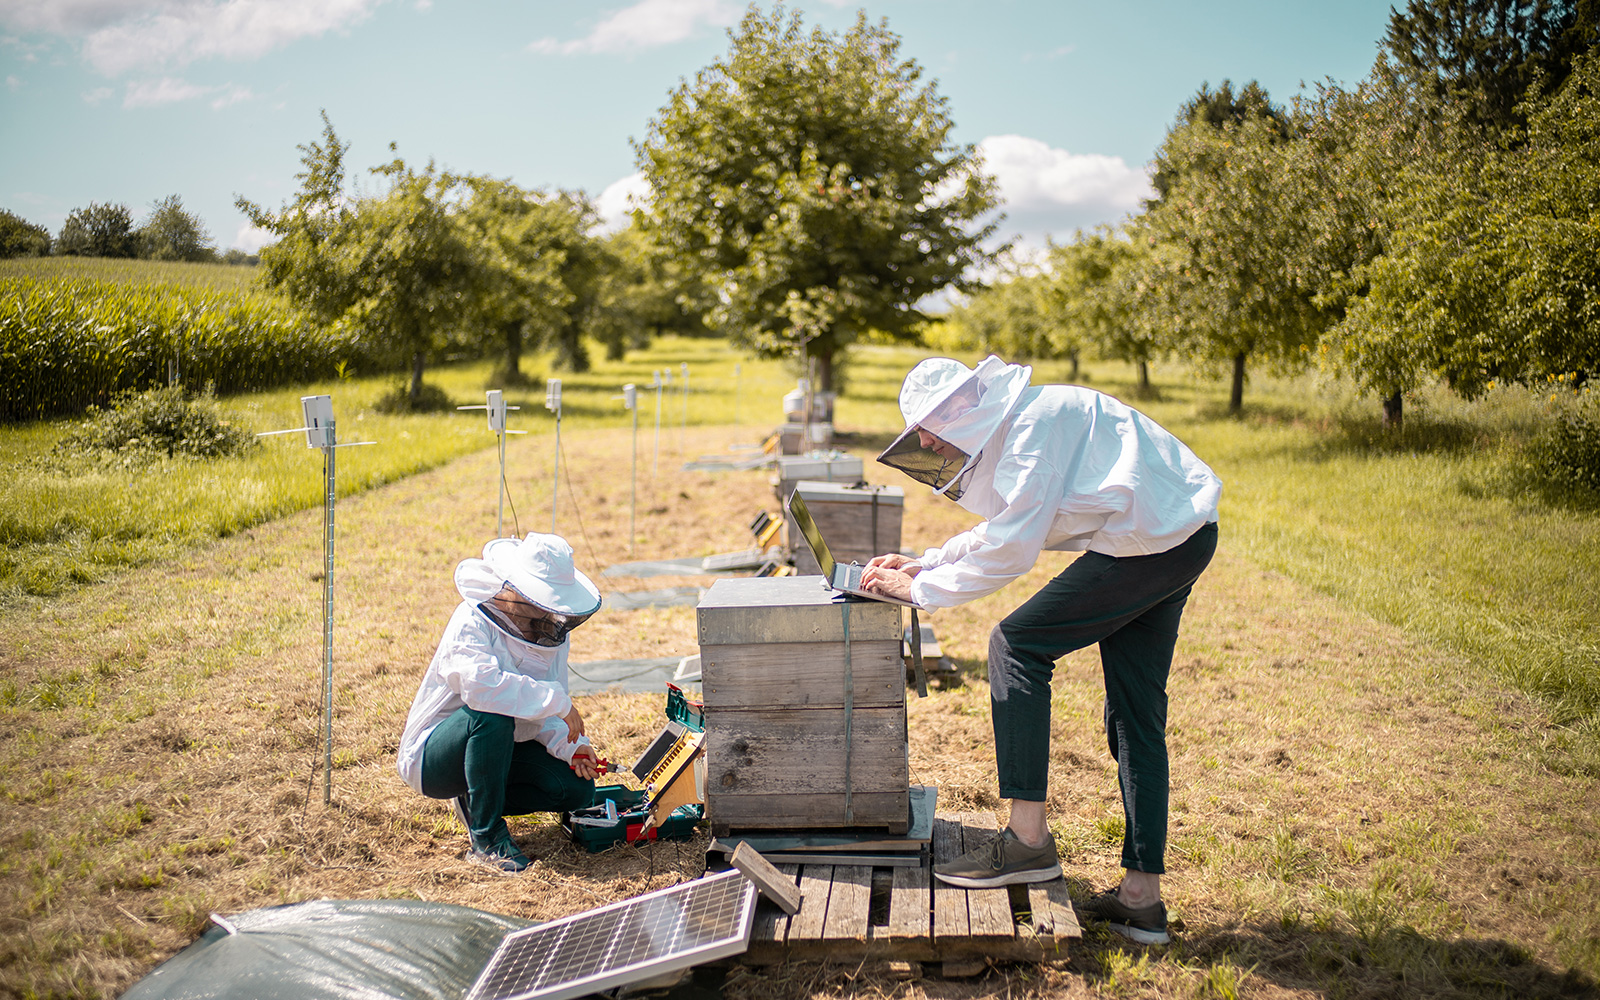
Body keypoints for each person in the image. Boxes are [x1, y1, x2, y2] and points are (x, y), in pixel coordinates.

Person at [861, 356, 1221, 945]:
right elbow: (1004, 523)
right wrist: (928, 559)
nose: (925, 441)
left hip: (1151, 543)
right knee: (1134, 711)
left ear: (963, 405)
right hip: (1170, 536)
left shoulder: (1034, 426)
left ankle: (1027, 843)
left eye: (929, 425)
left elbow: (1012, 548)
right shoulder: (1024, 424)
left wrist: (920, 590)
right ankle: (1141, 900)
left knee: (1015, 644)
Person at [396, 533, 602, 874]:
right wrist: (558, 702)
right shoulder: (471, 621)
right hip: (434, 756)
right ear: (519, 590)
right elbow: (483, 689)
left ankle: (477, 803)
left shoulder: (548, 635)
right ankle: (487, 838)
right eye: (543, 600)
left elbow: (544, 710)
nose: (549, 612)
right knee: (493, 715)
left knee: (577, 789)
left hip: (503, 746)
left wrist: (572, 748)